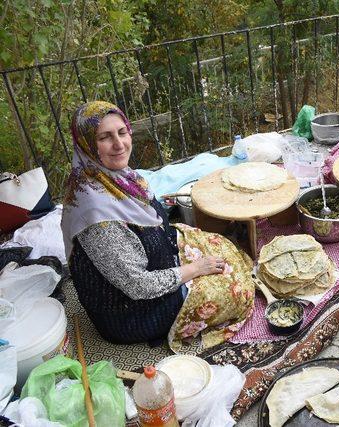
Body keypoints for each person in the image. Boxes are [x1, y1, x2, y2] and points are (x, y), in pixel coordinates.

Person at [61, 101, 226, 344]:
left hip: (153, 272)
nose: (119, 144)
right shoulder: (95, 213)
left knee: (220, 247)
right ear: (86, 145)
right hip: (132, 312)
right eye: (105, 137)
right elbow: (138, 285)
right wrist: (195, 269)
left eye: (122, 132)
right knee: (231, 287)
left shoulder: (118, 178)